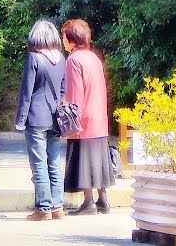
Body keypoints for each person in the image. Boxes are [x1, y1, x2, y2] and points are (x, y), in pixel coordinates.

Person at [15, 20, 68, 221]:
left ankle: (43, 208)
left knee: (39, 163)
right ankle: (58, 206)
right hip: (56, 118)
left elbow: (26, 92)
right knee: (54, 161)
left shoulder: (34, 58)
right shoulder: (61, 59)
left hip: (36, 117)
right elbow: (63, 90)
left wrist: (20, 119)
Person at [61, 18, 115, 215]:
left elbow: (76, 94)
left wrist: (71, 121)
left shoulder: (74, 60)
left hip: (84, 119)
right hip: (99, 117)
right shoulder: (93, 58)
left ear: (71, 39)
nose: (63, 41)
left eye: (64, 37)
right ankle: (103, 200)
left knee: (84, 161)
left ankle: (88, 202)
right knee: (98, 160)